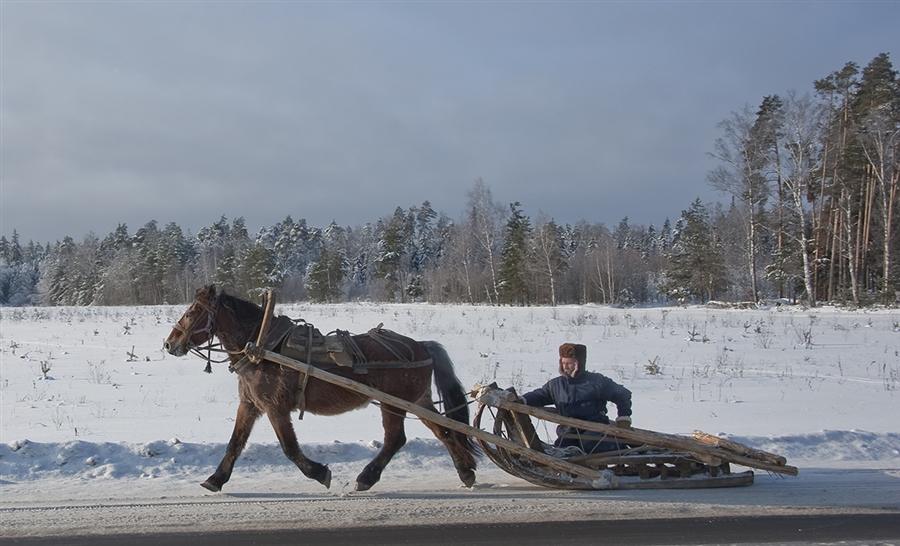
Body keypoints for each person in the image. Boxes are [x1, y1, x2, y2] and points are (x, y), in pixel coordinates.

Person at [520, 343, 633, 454]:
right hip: (569, 430)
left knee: (590, 444)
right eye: (563, 362)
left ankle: (624, 448)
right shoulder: (556, 384)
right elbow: (540, 395)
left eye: (569, 363)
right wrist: (522, 400)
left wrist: (624, 418)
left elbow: (623, 395)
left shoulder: (596, 382)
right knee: (562, 449)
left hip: (595, 429)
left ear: (579, 363)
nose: (566, 366)